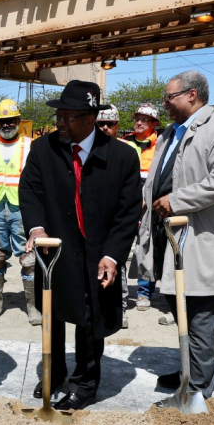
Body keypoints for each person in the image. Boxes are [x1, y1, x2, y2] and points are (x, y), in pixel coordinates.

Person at [20, 80, 140, 410]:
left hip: (97, 254)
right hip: (55, 251)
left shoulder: (121, 157)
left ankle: (86, 381)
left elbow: (127, 213)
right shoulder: (43, 150)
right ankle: (54, 371)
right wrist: (36, 226)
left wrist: (113, 255)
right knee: (53, 312)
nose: (59, 122)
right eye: (58, 116)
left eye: (67, 117)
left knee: (90, 318)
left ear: (89, 119)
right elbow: (30, 191)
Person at [135, 71, 214, 397]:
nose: (165, 104)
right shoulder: (171, 133)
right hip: (171, 239)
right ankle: (190, 369)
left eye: (169, 97)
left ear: (192, 95)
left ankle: (198, 388)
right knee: (178, 309)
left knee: (201, 317)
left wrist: (177, 200)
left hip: (203, 241)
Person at [0, 99, 36, 323]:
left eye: (11, 121)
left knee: (29, 258)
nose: (6, 125)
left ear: (18, 121)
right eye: (3, 121)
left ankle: (32, 306)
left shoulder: (31, 145)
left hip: (22, 207)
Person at [96, 105, 132, 328]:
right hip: (96, 223)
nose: (105, 128)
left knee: (118, 264)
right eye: (101, 124)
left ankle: (122, 307)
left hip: (117, 221)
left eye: (110, 124)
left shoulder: (125, 152)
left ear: (118, 126)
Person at [125, 103, 162, 311]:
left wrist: (148, 198)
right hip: (127, 201)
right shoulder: (125, 142)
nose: (139, 122)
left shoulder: (162, 144)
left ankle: (144, 293)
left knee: (147, 248)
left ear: (154, 124)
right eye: (137, 118)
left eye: (145, 119)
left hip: (151, 203)